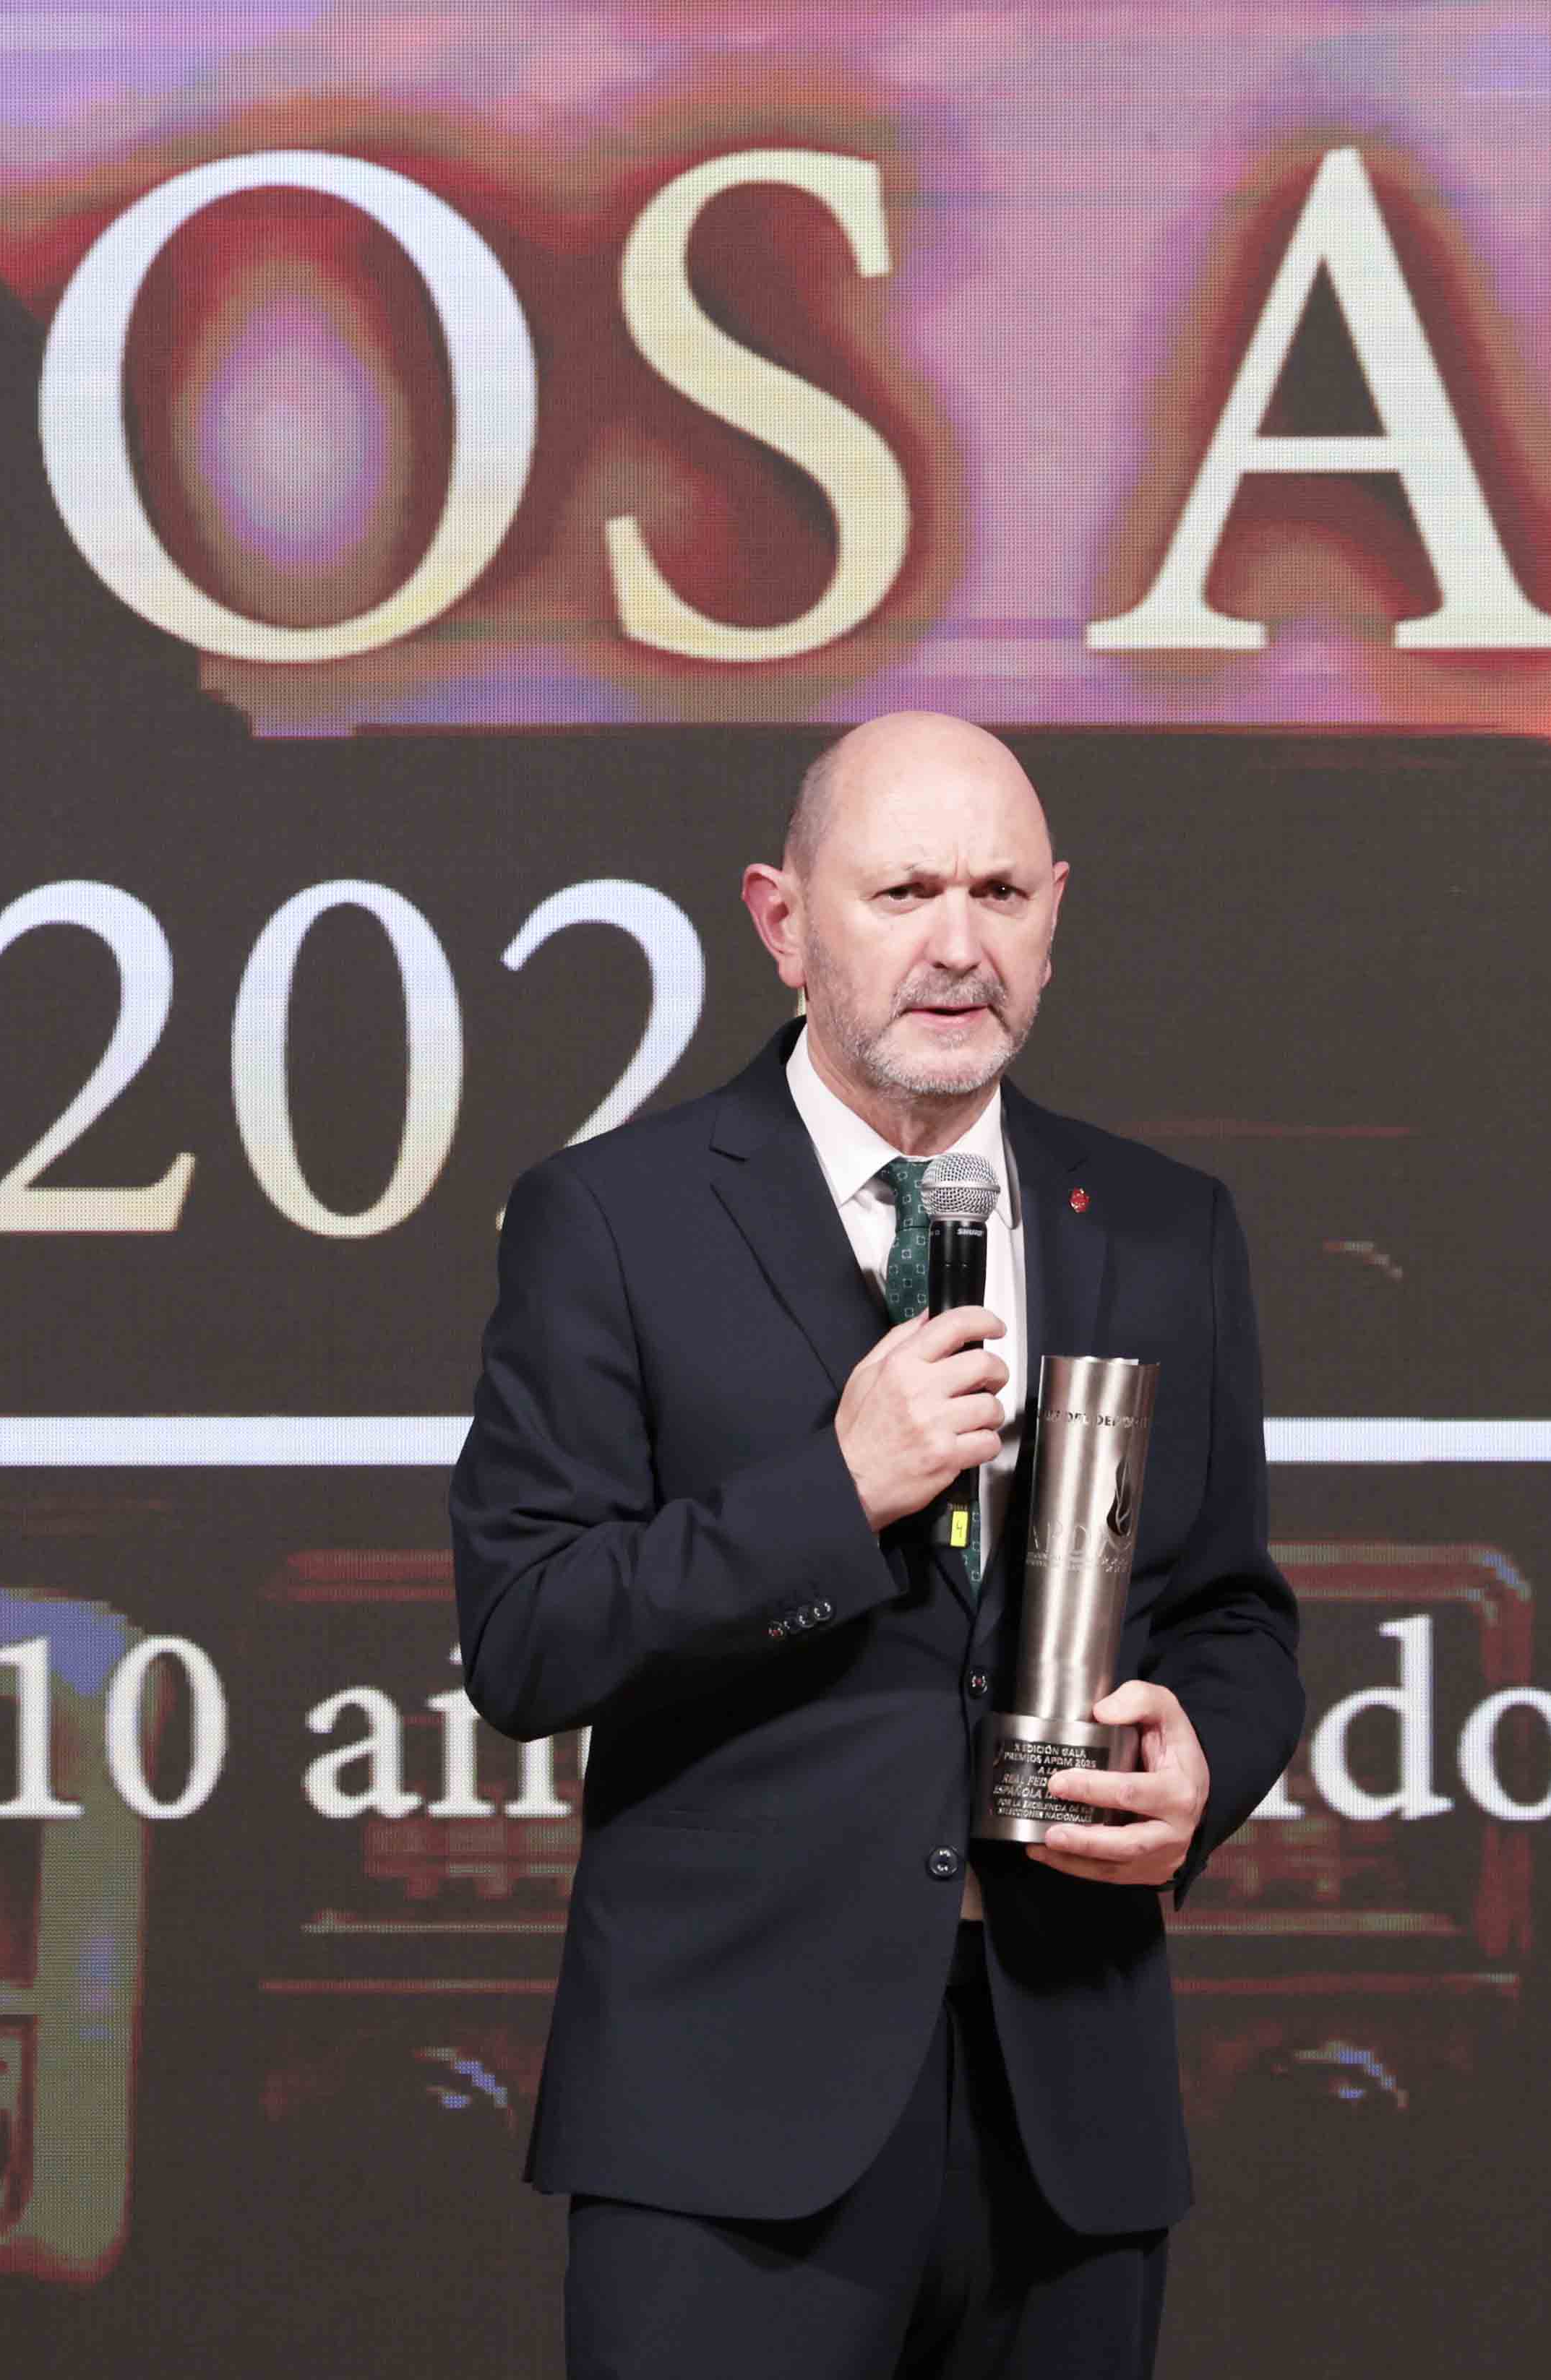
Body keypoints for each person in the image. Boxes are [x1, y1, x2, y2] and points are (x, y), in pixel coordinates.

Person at [450, 710, 1304, 2378]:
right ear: (781, 923)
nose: (957, 946)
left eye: (999, 893)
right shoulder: (611, 1218)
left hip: (1068, 2106)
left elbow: (1231, 1615)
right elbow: (529, 1635)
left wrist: (1206, 1763)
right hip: (725, 2127)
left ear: (1054, 916)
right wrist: (831, 1495)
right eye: (904, 892)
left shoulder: (1161, 1226)